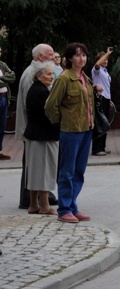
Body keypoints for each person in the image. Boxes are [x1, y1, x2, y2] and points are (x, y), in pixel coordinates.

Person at [45, 43, 99, 223]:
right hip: (71, 131)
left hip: (86, 129)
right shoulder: (64, 79)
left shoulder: (85, 77)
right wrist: (61, 121)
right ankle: (64, 209)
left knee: (79, 171)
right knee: (67, 171)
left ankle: (72, 206)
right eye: (77, 55)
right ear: (69, 59)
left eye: (84, 55)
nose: (81, 58)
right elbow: (50, 105)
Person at [16, 43, 56, 209]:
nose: (54, 57)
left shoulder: (34, 74)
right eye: (51, 54)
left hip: (33, 129)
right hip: (35, 130)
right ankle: (31, 199)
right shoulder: (32, 76)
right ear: (40, 56)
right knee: (36, 166)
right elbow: (32, 106)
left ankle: (35, 199)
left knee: (35, 165)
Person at [24, 61, 59, 215]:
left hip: (35, 134)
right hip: (43, 136)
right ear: (39, 76)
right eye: (48, 74)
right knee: (44, 171)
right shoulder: (42, 91)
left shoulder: (35, 89)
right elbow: (49, 115)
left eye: (52, 73)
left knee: (35, 171)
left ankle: (33, 204)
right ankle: (44, 206)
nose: (52, 77)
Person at [91, 48, 113, 156]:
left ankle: (102, 147)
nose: (105, 61)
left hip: (106, 97)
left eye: (107, 59)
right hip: (100, 97)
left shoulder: (105, 71)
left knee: (105, 123)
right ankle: (96, 148)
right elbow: (97, 64)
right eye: (103, 59)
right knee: (99, 123)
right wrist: (107, 53)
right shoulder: (97, 71)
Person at [0, 46, 16, 160]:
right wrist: (5, 79)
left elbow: (12, 77)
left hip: (4, 97)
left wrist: (2, 78)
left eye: (0, 51)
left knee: (2, 126)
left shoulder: (2, 64)